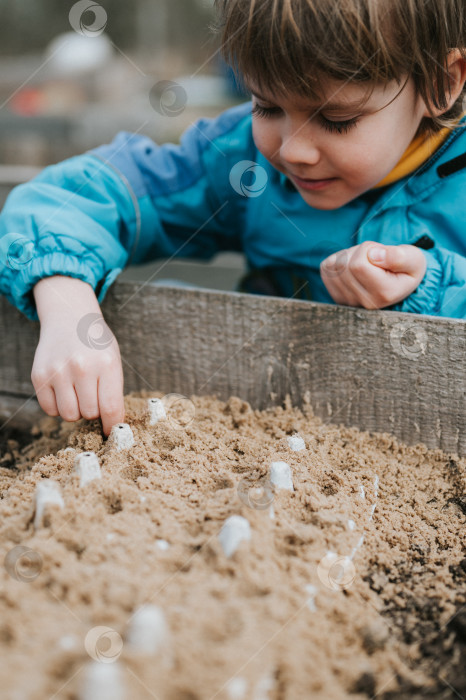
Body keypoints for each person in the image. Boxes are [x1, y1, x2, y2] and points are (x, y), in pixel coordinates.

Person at [0, 0, 465, 435]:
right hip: (271, 433)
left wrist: (430, 288)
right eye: (267, 106)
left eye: (337, 120)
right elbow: (74, 196)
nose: (294, 149)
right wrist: (65, 303)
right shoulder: (241, 161)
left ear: (443, 83)